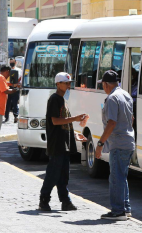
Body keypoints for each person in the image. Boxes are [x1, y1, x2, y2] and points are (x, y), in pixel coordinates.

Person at [38, 72, 86, 211]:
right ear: (58, 84)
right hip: (57, 143)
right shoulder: (54, 99)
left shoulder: (63, 100)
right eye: (66, 83)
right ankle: (44, 200)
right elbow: (55, 121)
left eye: (69, 83)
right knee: (53, 173)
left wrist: (76, 135)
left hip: (64, 143)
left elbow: (65, 124)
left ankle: (65, 201)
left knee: (64, 174)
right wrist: (75, 118)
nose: (68, 85)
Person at [95, 70, 135, 221]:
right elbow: (131, 118)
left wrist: (100, 143)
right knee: (121, 176)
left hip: (118, 143)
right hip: (128, 141)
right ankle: (126, 208)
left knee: (116, 178)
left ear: (106, 84)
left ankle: (118, 211)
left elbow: (112, 122)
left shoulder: (112, 98)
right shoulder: (126, 95)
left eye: (102, 85)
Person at [0, 66, 19, 157]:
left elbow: (6, 85)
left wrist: (14, 85)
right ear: (7, 71)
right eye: (9, 73)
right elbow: (6, 91)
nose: (9, 75)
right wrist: (15, 90)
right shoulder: (1, 78)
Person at [4, 58, 22, 123]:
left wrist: (17, 85)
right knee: (7, 103)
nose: (11, 63)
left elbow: (21, 80)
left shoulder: (19, 70)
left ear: (15, 62)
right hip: (8, 87)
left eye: (13, 62)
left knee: (15, 103)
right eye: (10, 62)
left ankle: (16, 116)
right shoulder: (7, 71)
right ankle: (6, 117)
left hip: (16, 88)